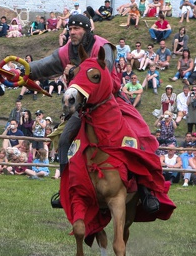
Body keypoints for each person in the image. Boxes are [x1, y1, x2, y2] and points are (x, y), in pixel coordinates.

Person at [27, 13, 171, 216]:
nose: (73, 32)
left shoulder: (104, 47)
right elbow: (41, 66)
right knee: (66, 139)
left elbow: (103, 73)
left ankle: (146, 192)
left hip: (112, 102)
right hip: (85, 109)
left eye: (78, 29)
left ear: (87, 30)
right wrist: (18, 70)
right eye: (70, 28)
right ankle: (66, 189)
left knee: (140, 136)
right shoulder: (66, 51)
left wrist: (74, 71)